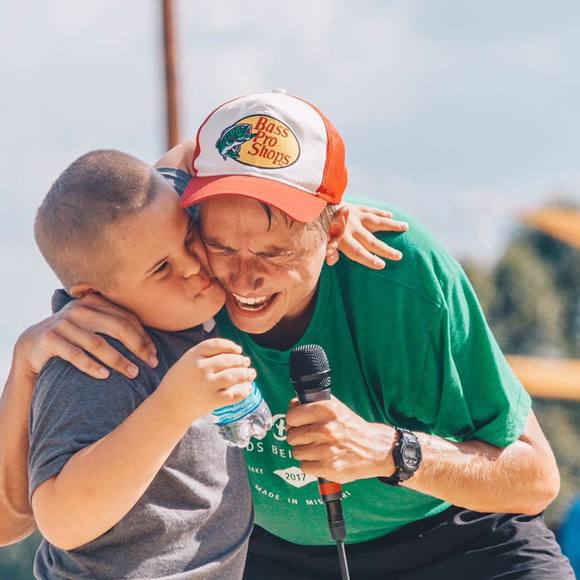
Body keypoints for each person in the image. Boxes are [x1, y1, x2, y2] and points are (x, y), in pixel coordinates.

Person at [3, 91, 574, 579]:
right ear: (191, 218)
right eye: (220, 245)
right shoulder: (156, 275)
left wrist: (387, 451)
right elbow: (11, 523)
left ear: (335, 233)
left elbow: (534, 479)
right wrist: (26, 362)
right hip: (272, 553)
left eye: (275, 252)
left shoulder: (400, 271)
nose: (241, 277)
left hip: (457, 536)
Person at [13, 149, 260, 579]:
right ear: (94, 295)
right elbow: (59, 519)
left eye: (189, 236)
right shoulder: (93, 355)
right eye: (162, 268)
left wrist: (326, 213)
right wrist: (172, 407)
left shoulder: (157, 208)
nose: (194, 266)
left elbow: (199, 148)